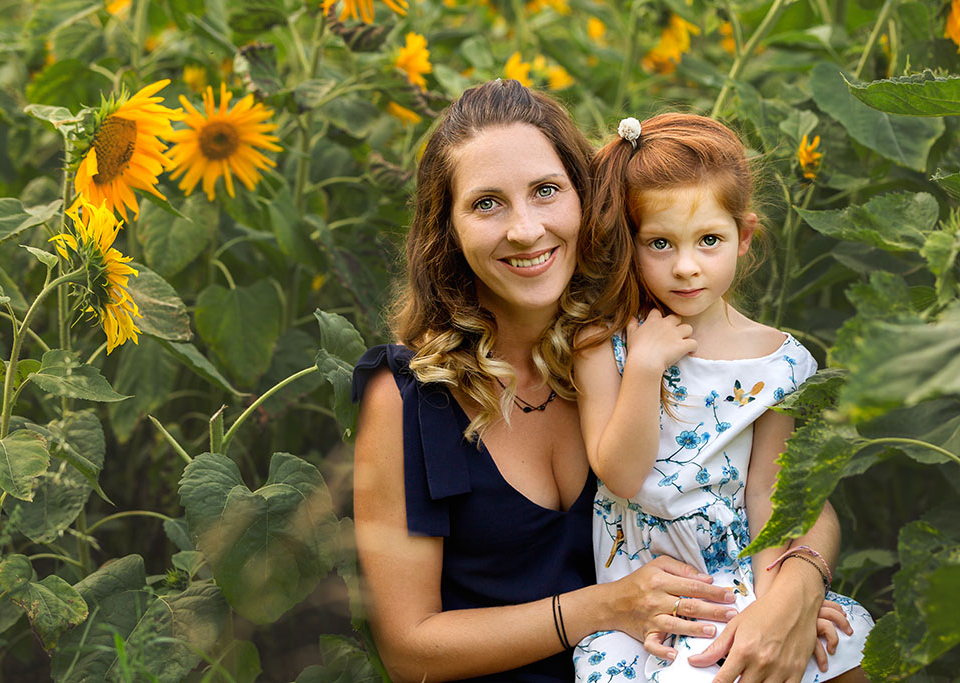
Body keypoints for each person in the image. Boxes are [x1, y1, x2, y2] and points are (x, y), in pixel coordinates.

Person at [351, 81, 746, 683]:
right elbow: (409, 649)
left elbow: (775, 470)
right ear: (447, 231)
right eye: (487, 203)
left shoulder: (642, 346)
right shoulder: (410, 397)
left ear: (586, 200)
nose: (526, 229)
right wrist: (603, 608)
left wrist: (798, 583)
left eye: (545, 191)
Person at [571, 113, 874, 683]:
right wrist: (643, 368)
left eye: (709, 240)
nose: (686, 267)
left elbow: (769, 491)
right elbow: (619, 475)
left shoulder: (780, 361)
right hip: (654, 603)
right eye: (659, 243)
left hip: (743, 577)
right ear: (629, 246)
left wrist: (774, 602)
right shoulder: (603, 345)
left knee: (833, 658)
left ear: (745, 236)